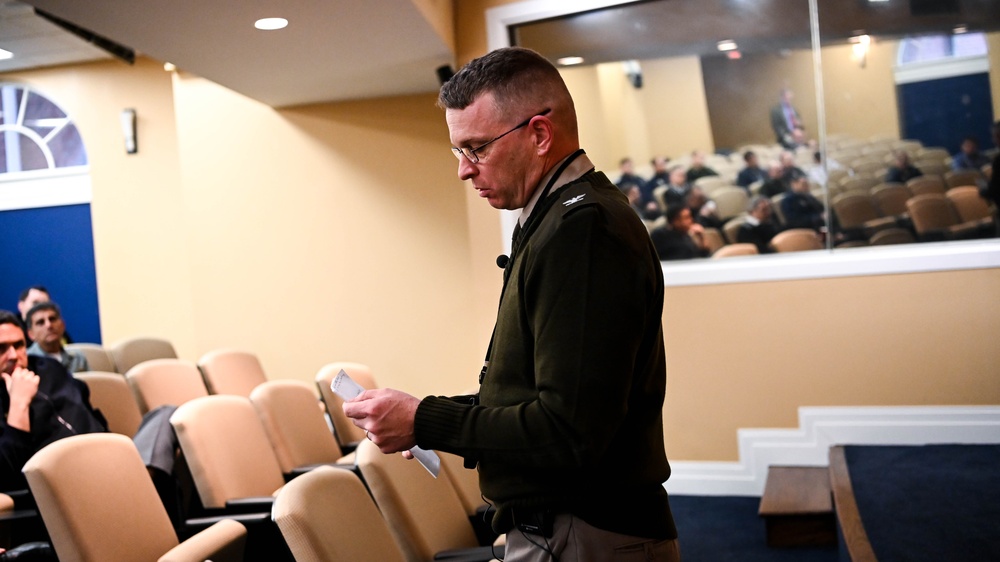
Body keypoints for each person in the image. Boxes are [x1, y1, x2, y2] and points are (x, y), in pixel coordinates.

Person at [342, 47, 679, 561]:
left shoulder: (582, 231)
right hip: (571, 527)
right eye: (459, 151)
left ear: (540, 135)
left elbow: (568, 431)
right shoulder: (560, 218)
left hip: (582, 531)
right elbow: (536, 398)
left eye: (477, 147)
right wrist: (421, 415)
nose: (464, 170)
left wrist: (426, 421)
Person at [1, 310, 107, 492]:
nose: (13, 355)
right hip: (56, 483)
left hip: (103, 458)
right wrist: (19, 404)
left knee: (162, 415)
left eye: (19, 345)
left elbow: (88, 410)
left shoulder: (49, 367)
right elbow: (9, 475)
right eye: (1, 348)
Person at [24, 302, 89, 374]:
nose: (49, 325)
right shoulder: (26, 361)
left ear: (63, 325)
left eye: (52, 319)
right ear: (31, 334)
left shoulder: (77, 358)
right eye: (41, 322)